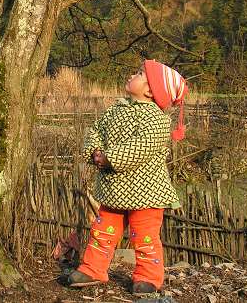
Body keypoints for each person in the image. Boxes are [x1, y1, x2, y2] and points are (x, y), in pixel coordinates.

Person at [66, 59, 187, 295]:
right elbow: (96, 130)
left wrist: (109, 158)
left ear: (151, 90)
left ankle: (149, 278)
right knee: (102, 232)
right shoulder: (115, 109)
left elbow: (141, 147)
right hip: (113, 189)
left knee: (144, 238)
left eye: (140, 74)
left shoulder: (158, 119)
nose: (133, 74)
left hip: (146, 192)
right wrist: (94, 151)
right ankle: (93, 269)